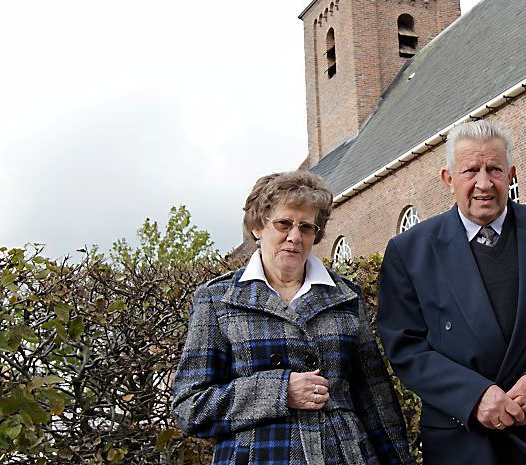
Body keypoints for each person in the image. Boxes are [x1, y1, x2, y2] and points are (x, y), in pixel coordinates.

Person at [377, 121, 526, 465]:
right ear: (449, 178)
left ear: (511, 174)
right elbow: (405, 346)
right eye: (471, 170)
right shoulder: (408, 252)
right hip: (463, 441)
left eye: (495, 170)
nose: (484, 184)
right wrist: (473, 396)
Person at [173, 170, 414, 465]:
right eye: (284, 223)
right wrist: (279, 391)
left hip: (343, 455)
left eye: (307, 227)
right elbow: (190, 407)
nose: (295, 237)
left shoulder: (345, 295)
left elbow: (376, 400)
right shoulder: (218, 298)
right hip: (259, 456)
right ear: (259, 226)